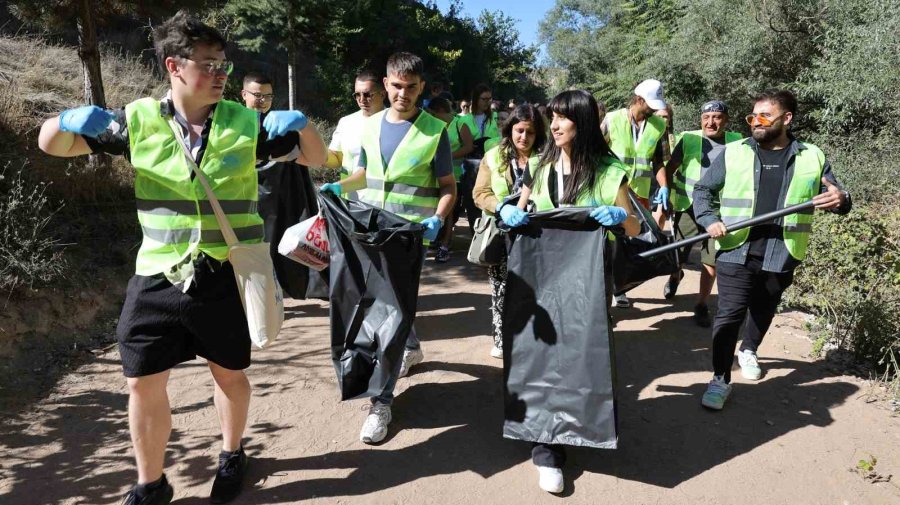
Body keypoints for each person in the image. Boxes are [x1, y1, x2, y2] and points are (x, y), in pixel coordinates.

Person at [37, 11, 325, 505]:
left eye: (224, 66)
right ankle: (151, 483)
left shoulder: (245, 123)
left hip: (224, 275)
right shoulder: (139, 120)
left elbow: (315, 158)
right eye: (209, 64)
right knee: (141, 381)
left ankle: (232, 453)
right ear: (174, 66)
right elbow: (53, 145)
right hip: (157, 276)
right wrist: (62, 120)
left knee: (228, 373)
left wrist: (303, 127)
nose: (220, 74)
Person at [505, 90, 640, 493]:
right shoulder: (542, 163)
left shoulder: (608, 169)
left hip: (587, 278)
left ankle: (579, 425)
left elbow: (632, 226)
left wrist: (619, 217)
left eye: (564, 118)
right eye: (554, 117)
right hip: (541, 275)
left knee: (580, 355)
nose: (556, 124)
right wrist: (507, 212)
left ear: (581, 123)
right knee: (541, 357)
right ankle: (547, 448)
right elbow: (523, 208)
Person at [320, 52, 457, 444]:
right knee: (369, 308)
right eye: (397, 86)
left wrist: (439, 217)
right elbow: (364, 173)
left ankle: (381, 402)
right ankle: (409, 350)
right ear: (386, 85)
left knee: (391, 314)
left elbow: (448, 185)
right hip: (366, 230)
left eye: (412, 87)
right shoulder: (369, 126)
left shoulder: (435, 130)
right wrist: (339, 187)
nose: (403, 94)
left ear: (421, 88)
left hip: (406, 237)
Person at [693, 89, 851, 411]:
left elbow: (836, 195)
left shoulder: (812, 156)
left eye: (765, 116)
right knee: (729, 315)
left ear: (786, 118)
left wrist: (841, 199)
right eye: (753, 117)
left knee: (764, 309)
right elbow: (703, 190)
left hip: (782, 251)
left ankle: (749, 349)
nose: (756, 122)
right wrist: (709, 220)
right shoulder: (735, 152)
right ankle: (720, 378)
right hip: (735, 248)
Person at [240, 72, 328, 299]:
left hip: (278, 206)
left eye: (267, 96)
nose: (262, 101)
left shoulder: (281, 130)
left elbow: (317, 158)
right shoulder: (230, 128)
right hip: (241, 209)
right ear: (244, 95)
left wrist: (304, 126)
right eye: (257, 95)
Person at [472, 104, 547, 358]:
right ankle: (502, 338)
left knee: (537, 287)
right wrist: (501, 208)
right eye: (519, 130)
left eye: (530, 132)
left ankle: (534, 336)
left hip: (537, 235)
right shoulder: (493, 156)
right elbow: (480, 193)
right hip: (501, 235)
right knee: (501, 288)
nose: (523, 137)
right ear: (510, 130)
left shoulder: (547, 158)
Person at [664, 100, 743, 327]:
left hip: (718, 210)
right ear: (701, 119)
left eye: (717, 117)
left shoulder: (738, 142)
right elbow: (670, 169)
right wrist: (666, 198)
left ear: (726, 120)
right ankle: (675, 275)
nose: (711, 122)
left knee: (711, 260)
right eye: (706, 118)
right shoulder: (689, 138)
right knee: (677, 254)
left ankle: (701, 304)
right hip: (687, 207)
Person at [602, 78, 672, 308]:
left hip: (639, 196)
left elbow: (658, 161)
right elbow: (594, 152)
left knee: (629, 243)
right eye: (650, 104)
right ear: (638, 99)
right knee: (610, 242)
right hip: (612, 192)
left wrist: (663, 186)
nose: (654, 109)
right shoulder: (612, 120)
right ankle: (606, 288)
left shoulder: (659, 126)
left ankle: (620, 287)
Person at [323, 69, 386, 200]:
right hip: (350, 202)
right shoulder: (346, 122)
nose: (362, 100)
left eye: (368, 94)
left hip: (381, 203)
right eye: (357, 95)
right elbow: (337, 159)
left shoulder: (394, 123)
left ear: (383, 94)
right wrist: (315, 152)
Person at [426, 97, 474, 262]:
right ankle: (436, 239)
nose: (430, 116)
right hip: (434, 175)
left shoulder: (460, 124)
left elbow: (469, 146)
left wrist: (445, 157)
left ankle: (445, 244)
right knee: (436, 207)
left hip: (456, 174)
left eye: (432, 113)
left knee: (450, 210)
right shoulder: (432, 126)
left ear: (440, 111)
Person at [458, 84, 502, 231]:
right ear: (476, 99)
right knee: (471, 201)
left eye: (490, 99)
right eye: (484, 99)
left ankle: (490, 234)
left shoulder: (495, 117)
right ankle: (474, 233)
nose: (487, 102)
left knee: (490, 197)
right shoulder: (464, 120)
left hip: (491, 162)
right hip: (471, 164)